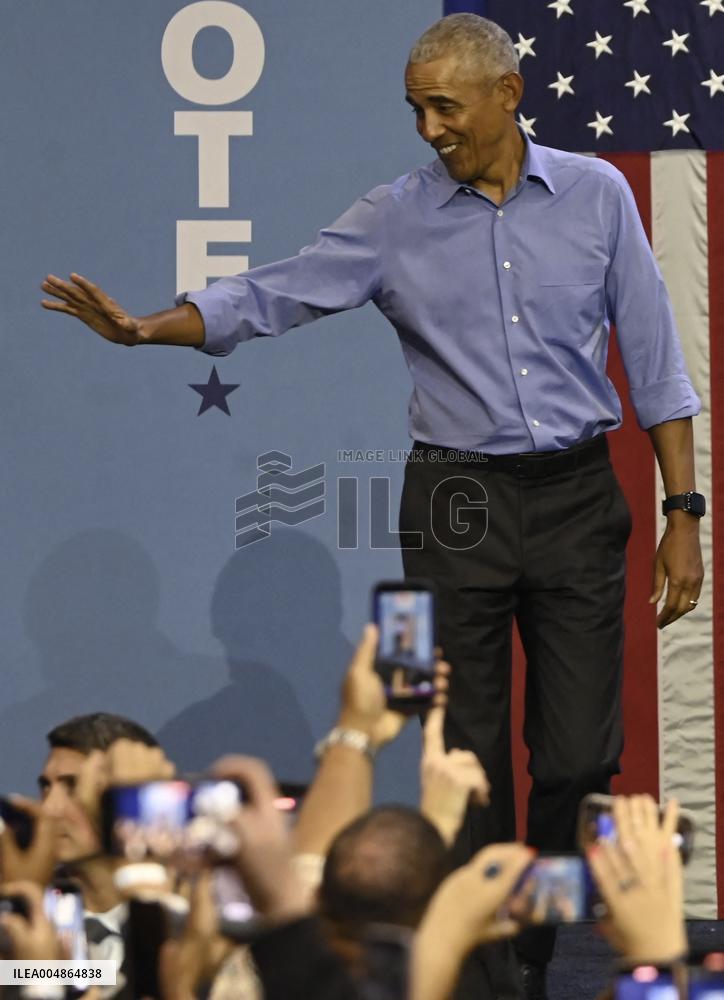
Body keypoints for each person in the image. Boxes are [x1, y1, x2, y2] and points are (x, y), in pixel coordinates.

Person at [40, 12, 704, 999]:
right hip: (454, 500)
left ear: (507, 96)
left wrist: (682, 511)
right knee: (465, 754)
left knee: (577, 755)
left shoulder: (598, 196)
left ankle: (532, 939)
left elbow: (653, 360)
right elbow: (274, 293)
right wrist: (147, 331)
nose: (428, 127)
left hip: (573, 496)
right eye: (414, 109)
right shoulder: (394, 214)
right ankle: (480, 972)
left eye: (445, 106)